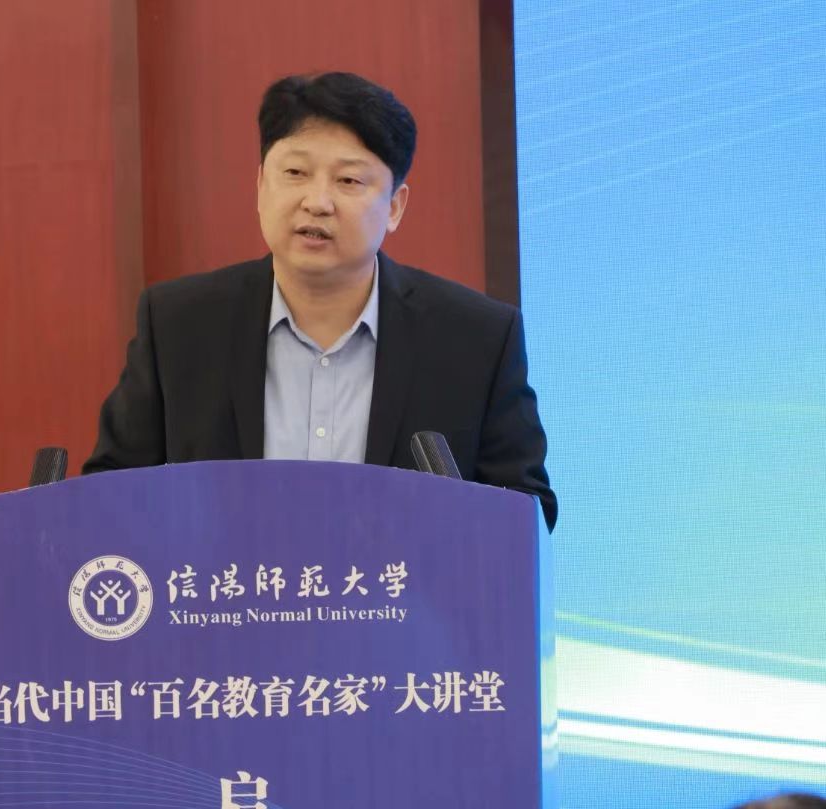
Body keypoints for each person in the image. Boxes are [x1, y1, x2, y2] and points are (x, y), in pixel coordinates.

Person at [83, 71, 557, 531]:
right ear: (260, 186)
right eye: (295, 173)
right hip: (225, 587)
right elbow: (108, 496)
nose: (317, 202)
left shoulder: (475, 338)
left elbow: (527, 514)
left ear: (395, 207)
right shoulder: (179, 326)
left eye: (348, 181)